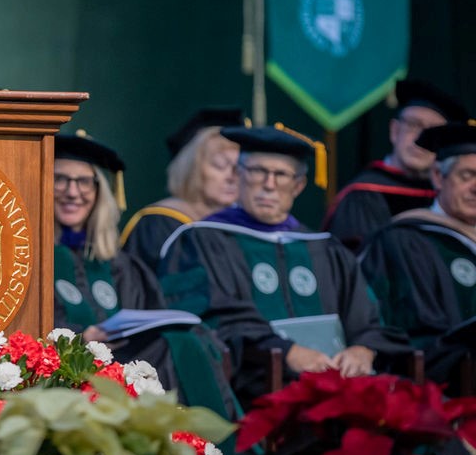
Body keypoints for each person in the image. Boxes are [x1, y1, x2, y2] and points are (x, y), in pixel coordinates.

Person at [156, 125, 410, 405]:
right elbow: (211, 317)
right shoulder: (200, 241)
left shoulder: (325, 248)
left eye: (281, 175)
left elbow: (368, 317)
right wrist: (285, 352)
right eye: (257, 171)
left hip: (337, 392)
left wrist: (364, 349)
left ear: (299, 185)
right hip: (250, 396)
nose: (269, 184)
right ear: (238, 175)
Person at [53, 132, 236, 421]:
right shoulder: (32, 261)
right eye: (60, 179)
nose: (73, 192)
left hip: (130, 368)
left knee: (188, 339)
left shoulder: (122, 265)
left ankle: (205, 445)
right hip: (68, 373)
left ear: (99, 191)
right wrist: (81, 336)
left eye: (84, 181)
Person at [359, 122, 476, 392]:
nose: (475, 187)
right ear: (437, 176)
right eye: (467, 175)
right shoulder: (404, 241)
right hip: (443, 395)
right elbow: (417, 338)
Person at [323, 79, 469, 252]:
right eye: (414, 125)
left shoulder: (452, 197)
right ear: (394, 130)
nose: (419, 139)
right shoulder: (364, 194)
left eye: (433, 131)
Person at [120, 107, 243, 269]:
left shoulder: (243, 226)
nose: (232, 176)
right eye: (220, 165)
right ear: (192, 169)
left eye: (239, 166)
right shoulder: (160, 223)